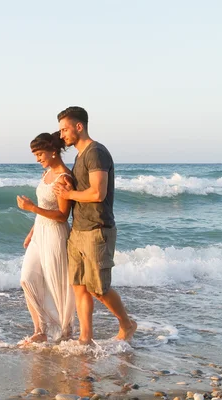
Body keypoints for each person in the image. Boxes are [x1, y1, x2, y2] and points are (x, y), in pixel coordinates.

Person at [53, 106, 137, 345]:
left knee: (99, 289)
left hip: (97, 229)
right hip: (78, 230)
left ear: (79, 126)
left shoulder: (96, 152)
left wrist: (69, 194)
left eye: (64, 129)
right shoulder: (80, 156)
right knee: (79, 287)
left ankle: (127, 324)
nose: (62, 135)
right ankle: (85, 338)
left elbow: (98, 193)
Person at [17, 131, 75, 343]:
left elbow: (62, 216)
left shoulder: (64, 178)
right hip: (40, 232)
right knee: (27, 279)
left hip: (55, 235)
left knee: (55, 283)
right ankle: (40, 330)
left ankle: (66, 332)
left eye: (40, 153)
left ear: (53, 151)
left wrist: (31, 208)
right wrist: (32, 232)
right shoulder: (46, 174)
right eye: (36, 154)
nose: (38, 158)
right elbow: (44, 207)